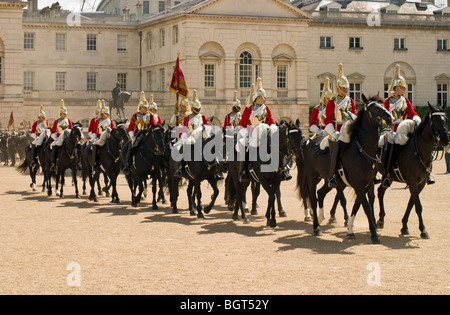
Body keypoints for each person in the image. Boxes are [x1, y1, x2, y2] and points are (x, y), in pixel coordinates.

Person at [380, 64, 433, 187]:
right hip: (392, 129)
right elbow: (385, 119)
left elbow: (411, 112)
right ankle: (386, 174)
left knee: (421, 143)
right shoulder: (388, 102)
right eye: (402, 87)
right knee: (390, 147)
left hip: (404, 128)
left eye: (404, 87)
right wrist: (389, 129)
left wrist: (416, 119)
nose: (404, 89)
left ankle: (427, 172)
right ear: (396, 87)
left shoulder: (405, 101)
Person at [238, 78, 291, 182]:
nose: (262, 99)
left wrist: (272, 128)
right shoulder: (249, 109)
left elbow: (271, 121)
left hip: (264, 133)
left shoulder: (266, 109)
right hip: (251, 133)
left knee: (278, 145)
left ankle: (283, 170)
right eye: (260, 97)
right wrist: (246, 135)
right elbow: (243, 124)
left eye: (263, 97)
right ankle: (242, 172)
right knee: (244, 147)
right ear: (256, 98)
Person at [324, 63, 357, 188]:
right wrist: (333, 132)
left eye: (347, 87)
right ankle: (331, 175)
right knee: (335, 145)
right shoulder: (333, 101)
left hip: (348, 128)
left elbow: (354, 114)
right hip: (336, 131)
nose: (346, 89)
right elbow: (328, 119)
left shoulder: (350, 101)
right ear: (338, 87)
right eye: (343, 87)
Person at [122, 91, 152, 174]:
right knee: (131, 146)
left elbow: (153, 125)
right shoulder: (135, 115)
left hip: (148, 135)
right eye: (144, 107)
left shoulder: (150, 115)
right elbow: (131, 127)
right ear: (141, 107)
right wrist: (132, 136)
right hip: (138, 135)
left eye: (147, 107)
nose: (146, 109)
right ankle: (128, 164)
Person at [49, 100, 73, 171]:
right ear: (61, 114)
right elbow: (53, 132)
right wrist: (56, 138)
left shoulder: (68, 121)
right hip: (59, 138)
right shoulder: (57, 121)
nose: (65, 115)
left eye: (65, 113)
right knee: (53, 146)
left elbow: (71, 130)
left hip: (67, 138)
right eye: (63, 113)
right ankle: (53, 163)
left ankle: (77, 162)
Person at [92, 102, 115, 173]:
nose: (107, 115)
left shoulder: (110, 121)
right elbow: (93, 131)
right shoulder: (98, 121)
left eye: (108, 114)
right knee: (95, 146)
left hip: (109, 138)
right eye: (106, 114)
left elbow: (113, 129)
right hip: (101, 139)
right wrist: (96, 139)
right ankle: (95, 163)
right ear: (102, 114)